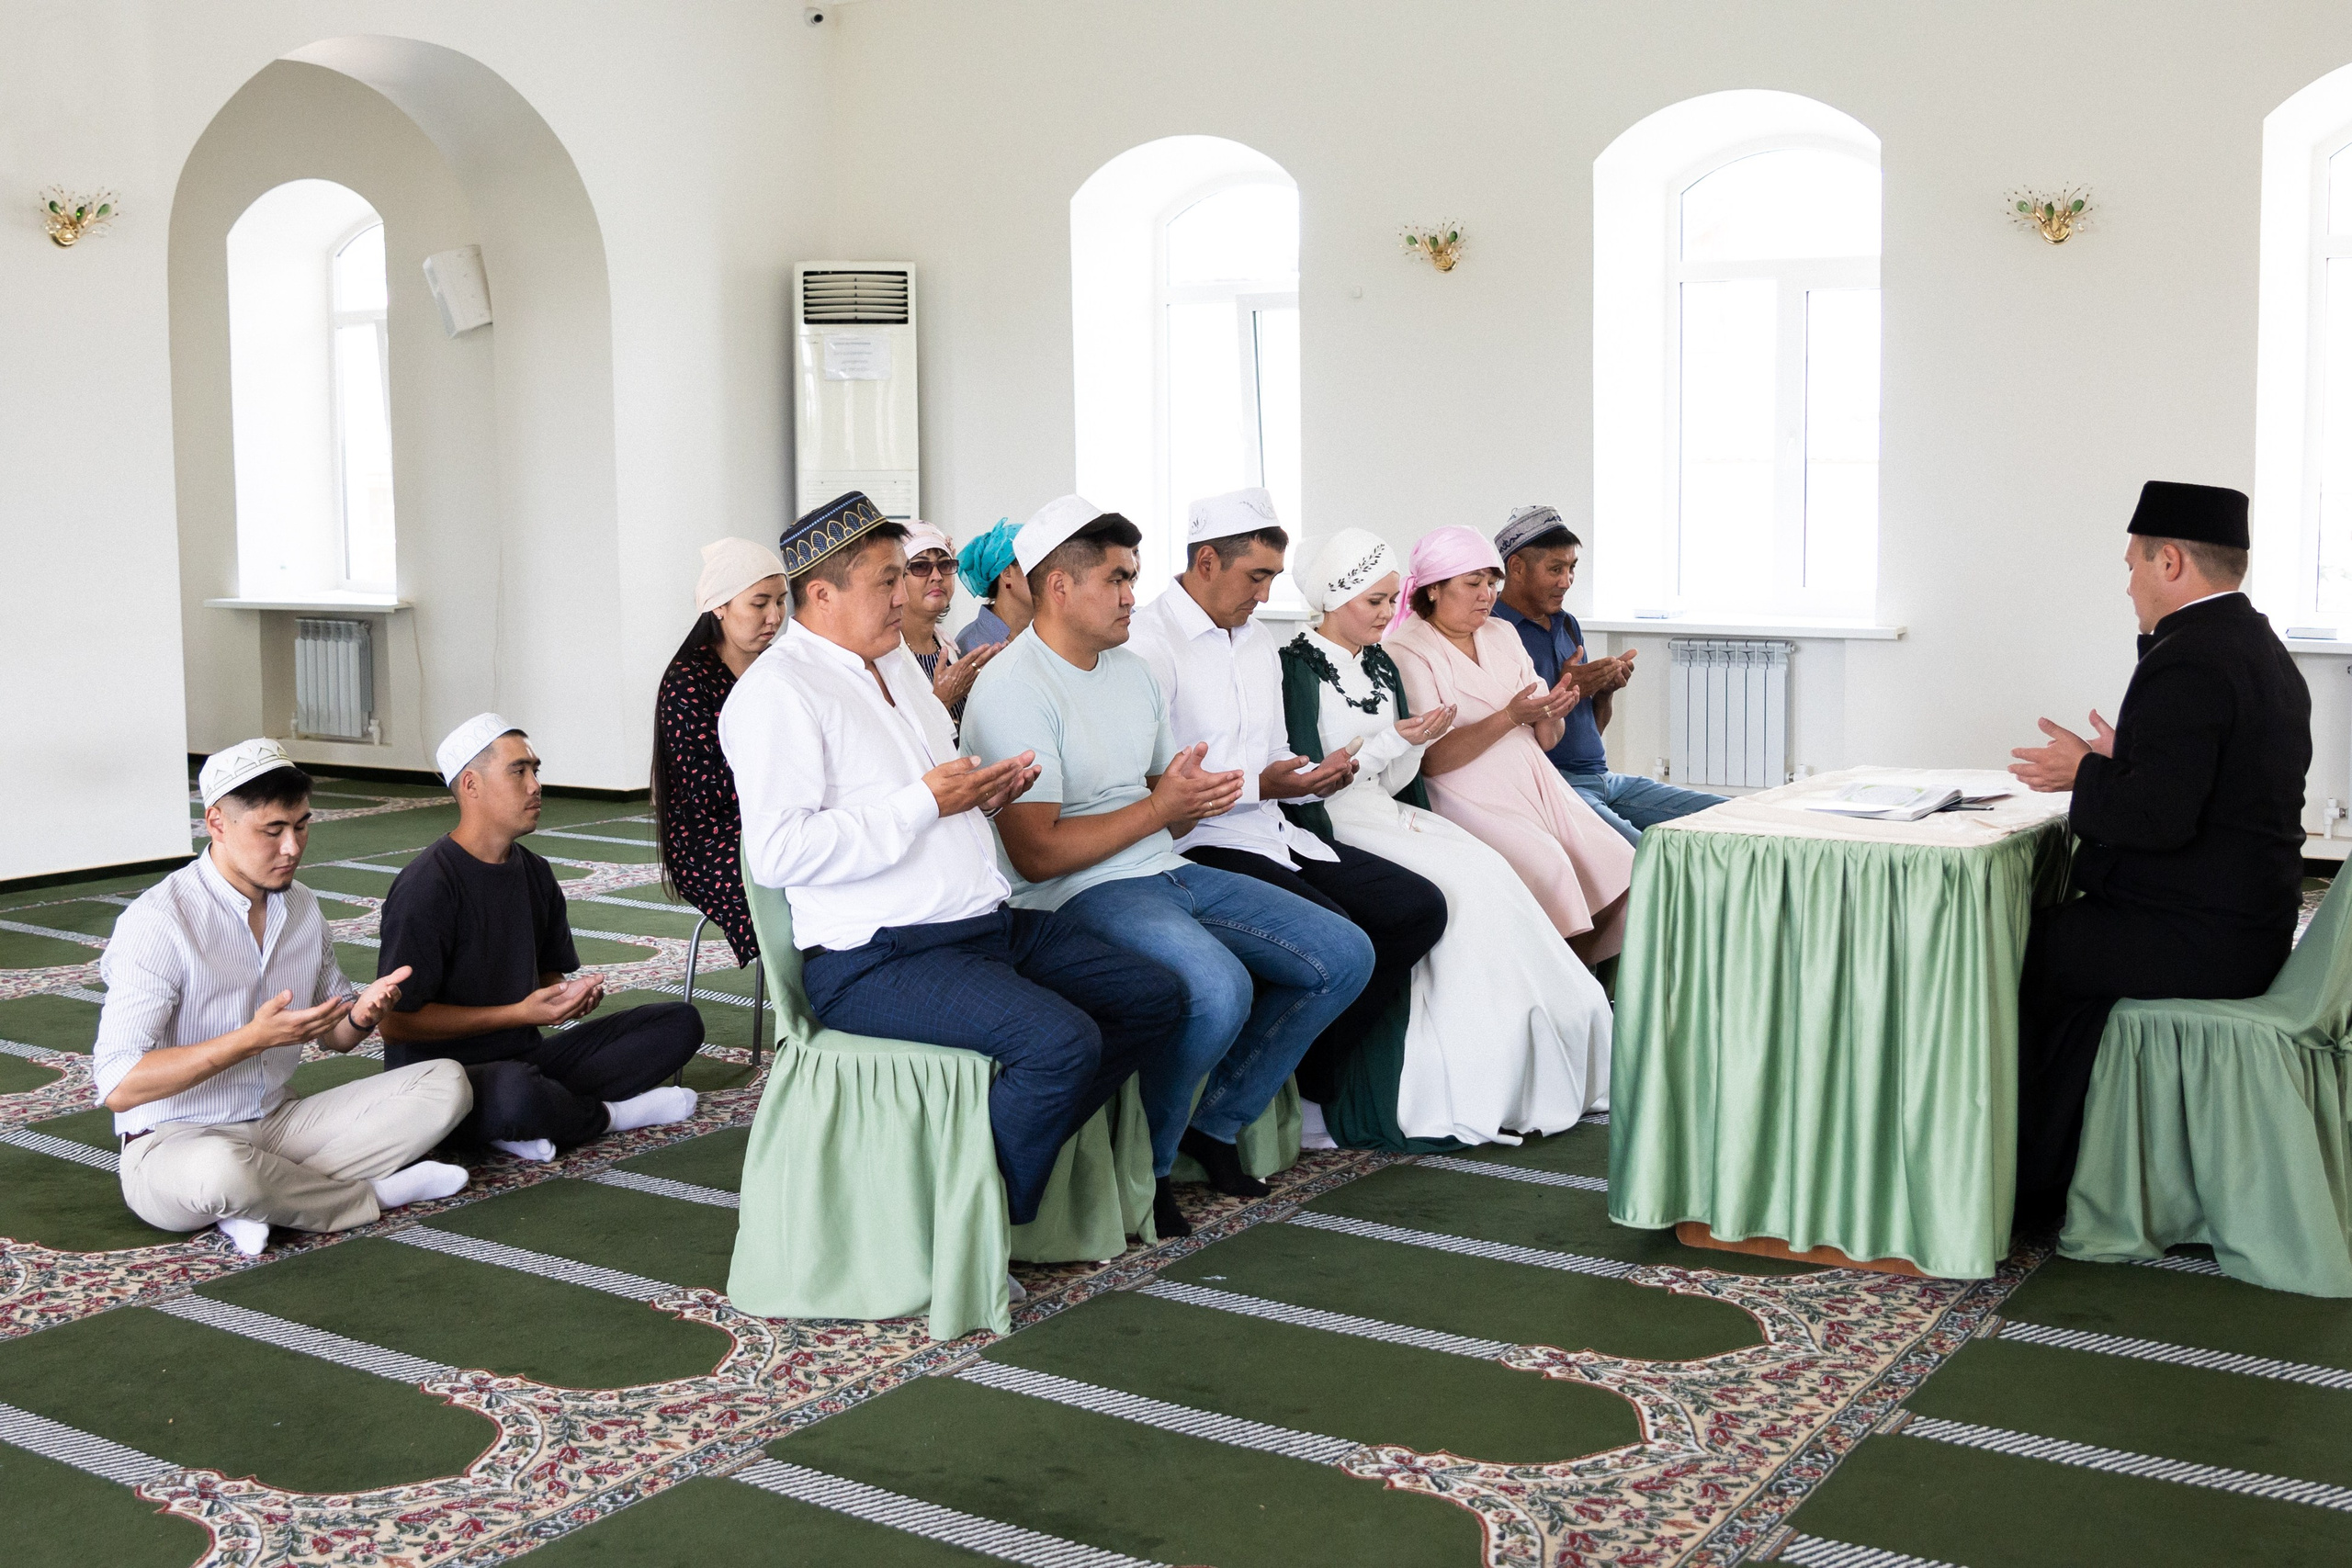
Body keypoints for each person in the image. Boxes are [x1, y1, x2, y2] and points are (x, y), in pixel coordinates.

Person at [721, 491, 1186, 1228]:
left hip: (978, 925)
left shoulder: (897, 664)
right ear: (822, 594)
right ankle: (975, 1223)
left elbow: (930, 795)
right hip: (876, 955)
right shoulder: (777, 693)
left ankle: (974, 1178)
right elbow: (780, 853)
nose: (905, 595)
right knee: (1061, 1044)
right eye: (887, 580)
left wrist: (985, 796)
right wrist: (925, 802)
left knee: (1153, 996)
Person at [961, 494, 1374, 1235]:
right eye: (1117, 579)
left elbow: (1163, 801)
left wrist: (1188, 797)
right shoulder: (1015, 687)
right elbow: (1037, 854)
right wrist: (1161, 808)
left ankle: (1213, 1123)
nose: (1132, 595)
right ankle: (1148, 1171)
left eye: (1133, 577)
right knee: (1216, 988)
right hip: (1073, 890)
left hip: (1161, 867)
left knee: (1344, 953)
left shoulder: (1128, 670)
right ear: (1060, 586)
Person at [2007, 480, 2311, 1228]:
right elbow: (2219, 785)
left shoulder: (2191, 657)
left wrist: (2085, 771)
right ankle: (2064, 1160)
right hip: (2249, 923)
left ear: (2169, 560)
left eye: (2133, 565)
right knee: (2060, 946)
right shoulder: (2261, 647)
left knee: (2008, 949)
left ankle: (2022, 1177)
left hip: (2201, 938)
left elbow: (2156, 819)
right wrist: (2128, 758)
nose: (2128, 585)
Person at [1280, 530, 1614, 1145]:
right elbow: (1308, 781)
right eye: (1374, 601)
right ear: (1333, 597)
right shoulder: (1296, 665)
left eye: (1390, 600)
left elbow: (1397, 779)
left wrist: (1410, 744)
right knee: (1460, 888)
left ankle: (1550, 1035)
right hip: (1333, 822)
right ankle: (1470, 1068)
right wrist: (1395, 741)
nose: (1387, 613)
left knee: (1489, 869)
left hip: (1382, 808)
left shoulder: (1378, 663)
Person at [1126, 489, 1447, 1128]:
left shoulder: (1255, 640)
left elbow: (1275, 755)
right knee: (1341, 937)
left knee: (1418, 909)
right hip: (1196, 842)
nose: (1267, 593)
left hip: (1273, 830)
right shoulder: (1148, 641)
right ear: (1207, 562)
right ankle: (1228, 1112)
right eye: (1256, 576)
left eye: (1273, 576)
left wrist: (1314, 778)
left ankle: (1309, 1074)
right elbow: (1154, 784)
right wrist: (1267, 786)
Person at [94, 739, 472, 1257]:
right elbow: (119, 1084)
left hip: (277, 1123)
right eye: (272, 831)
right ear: (217, 823)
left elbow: (335, 1038)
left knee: (446, 1083)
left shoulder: (302, 907)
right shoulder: (159, 922)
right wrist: (250, 1040)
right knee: (220, 1171)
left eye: (301, 825)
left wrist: (362, 1015)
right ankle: (369, 1195)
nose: (292, 847)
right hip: (172, 1141)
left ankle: (261, 1201)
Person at [377, 713, 706, 1163]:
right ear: (471, 785)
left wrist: (564, 997)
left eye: (535, 770)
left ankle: (528, 1119)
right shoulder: (427, 886)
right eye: (518, 771)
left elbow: (547, 976)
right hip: (441, 1081)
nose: (535, 786)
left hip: (526, 1060)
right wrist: (518, 1013)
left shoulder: (534, 872)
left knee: (678, 1023)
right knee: (515, 1093)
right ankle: (608, 1116)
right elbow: (395, 1025)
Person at [1384, 526, 1635, 962]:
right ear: (1434, 589)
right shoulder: (1406, 650)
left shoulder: (1501, 633)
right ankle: (1553, 978)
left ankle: (1583, 978)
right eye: (1473, 583)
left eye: (1491, 583)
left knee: (1621, 862)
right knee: (1549, 866)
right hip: (1466, 791)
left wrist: (1553, 711)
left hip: (1536, 781)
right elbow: (1433, 760)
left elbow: (1547, 739)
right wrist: (1512, 716)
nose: (1487, 595)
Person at [1491, 504, 1724, 843]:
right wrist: (1566, 690)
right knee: (1643, 853)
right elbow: (1505, 739)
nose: (1566, 581)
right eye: (1555, 569)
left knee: (1731, 816)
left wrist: (1603, 691)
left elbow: (1591, 732)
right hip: (1554, 786)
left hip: (1603, 779)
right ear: (1517, 568)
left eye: (1572, 568)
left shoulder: (1567, 624)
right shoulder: (1493, 630)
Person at [651, 536, 788, 967]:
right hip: (711, 838)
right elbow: (707, 792)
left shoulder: (780, 666)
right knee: (788, 884)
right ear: (719, 607)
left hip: (778, 814)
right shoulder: (688, 681)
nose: (774, 617)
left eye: (781, 601)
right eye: (759, 603)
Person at [899, 520, 1001, 720]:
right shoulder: (883, 658)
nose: (937, 576)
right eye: (921, 566)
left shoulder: (947, 648)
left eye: (945, 564)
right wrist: (943, 701)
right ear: (897, 577)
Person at [954, 516, 1034, 657]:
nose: (1047, 576)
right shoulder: (970, 646)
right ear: (1007, 573)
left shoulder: (1048, 636)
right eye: (1034, 566)